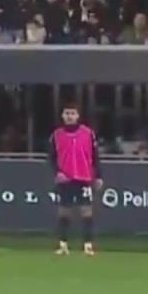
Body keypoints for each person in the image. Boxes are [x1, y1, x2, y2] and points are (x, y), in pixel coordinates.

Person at [50, 102, 102, 256]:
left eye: (72, 113)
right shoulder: (56, 135)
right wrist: (57, 172)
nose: (70, 116)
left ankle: (88, 245)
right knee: (64, 212)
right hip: (65, 178)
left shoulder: (88, 133)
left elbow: (95, 156)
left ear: (78, 116)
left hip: (83, 177)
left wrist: (98, 175)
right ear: (62, 116)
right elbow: (51, 157)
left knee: (86, 212)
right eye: (67, 113)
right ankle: (63, 245)